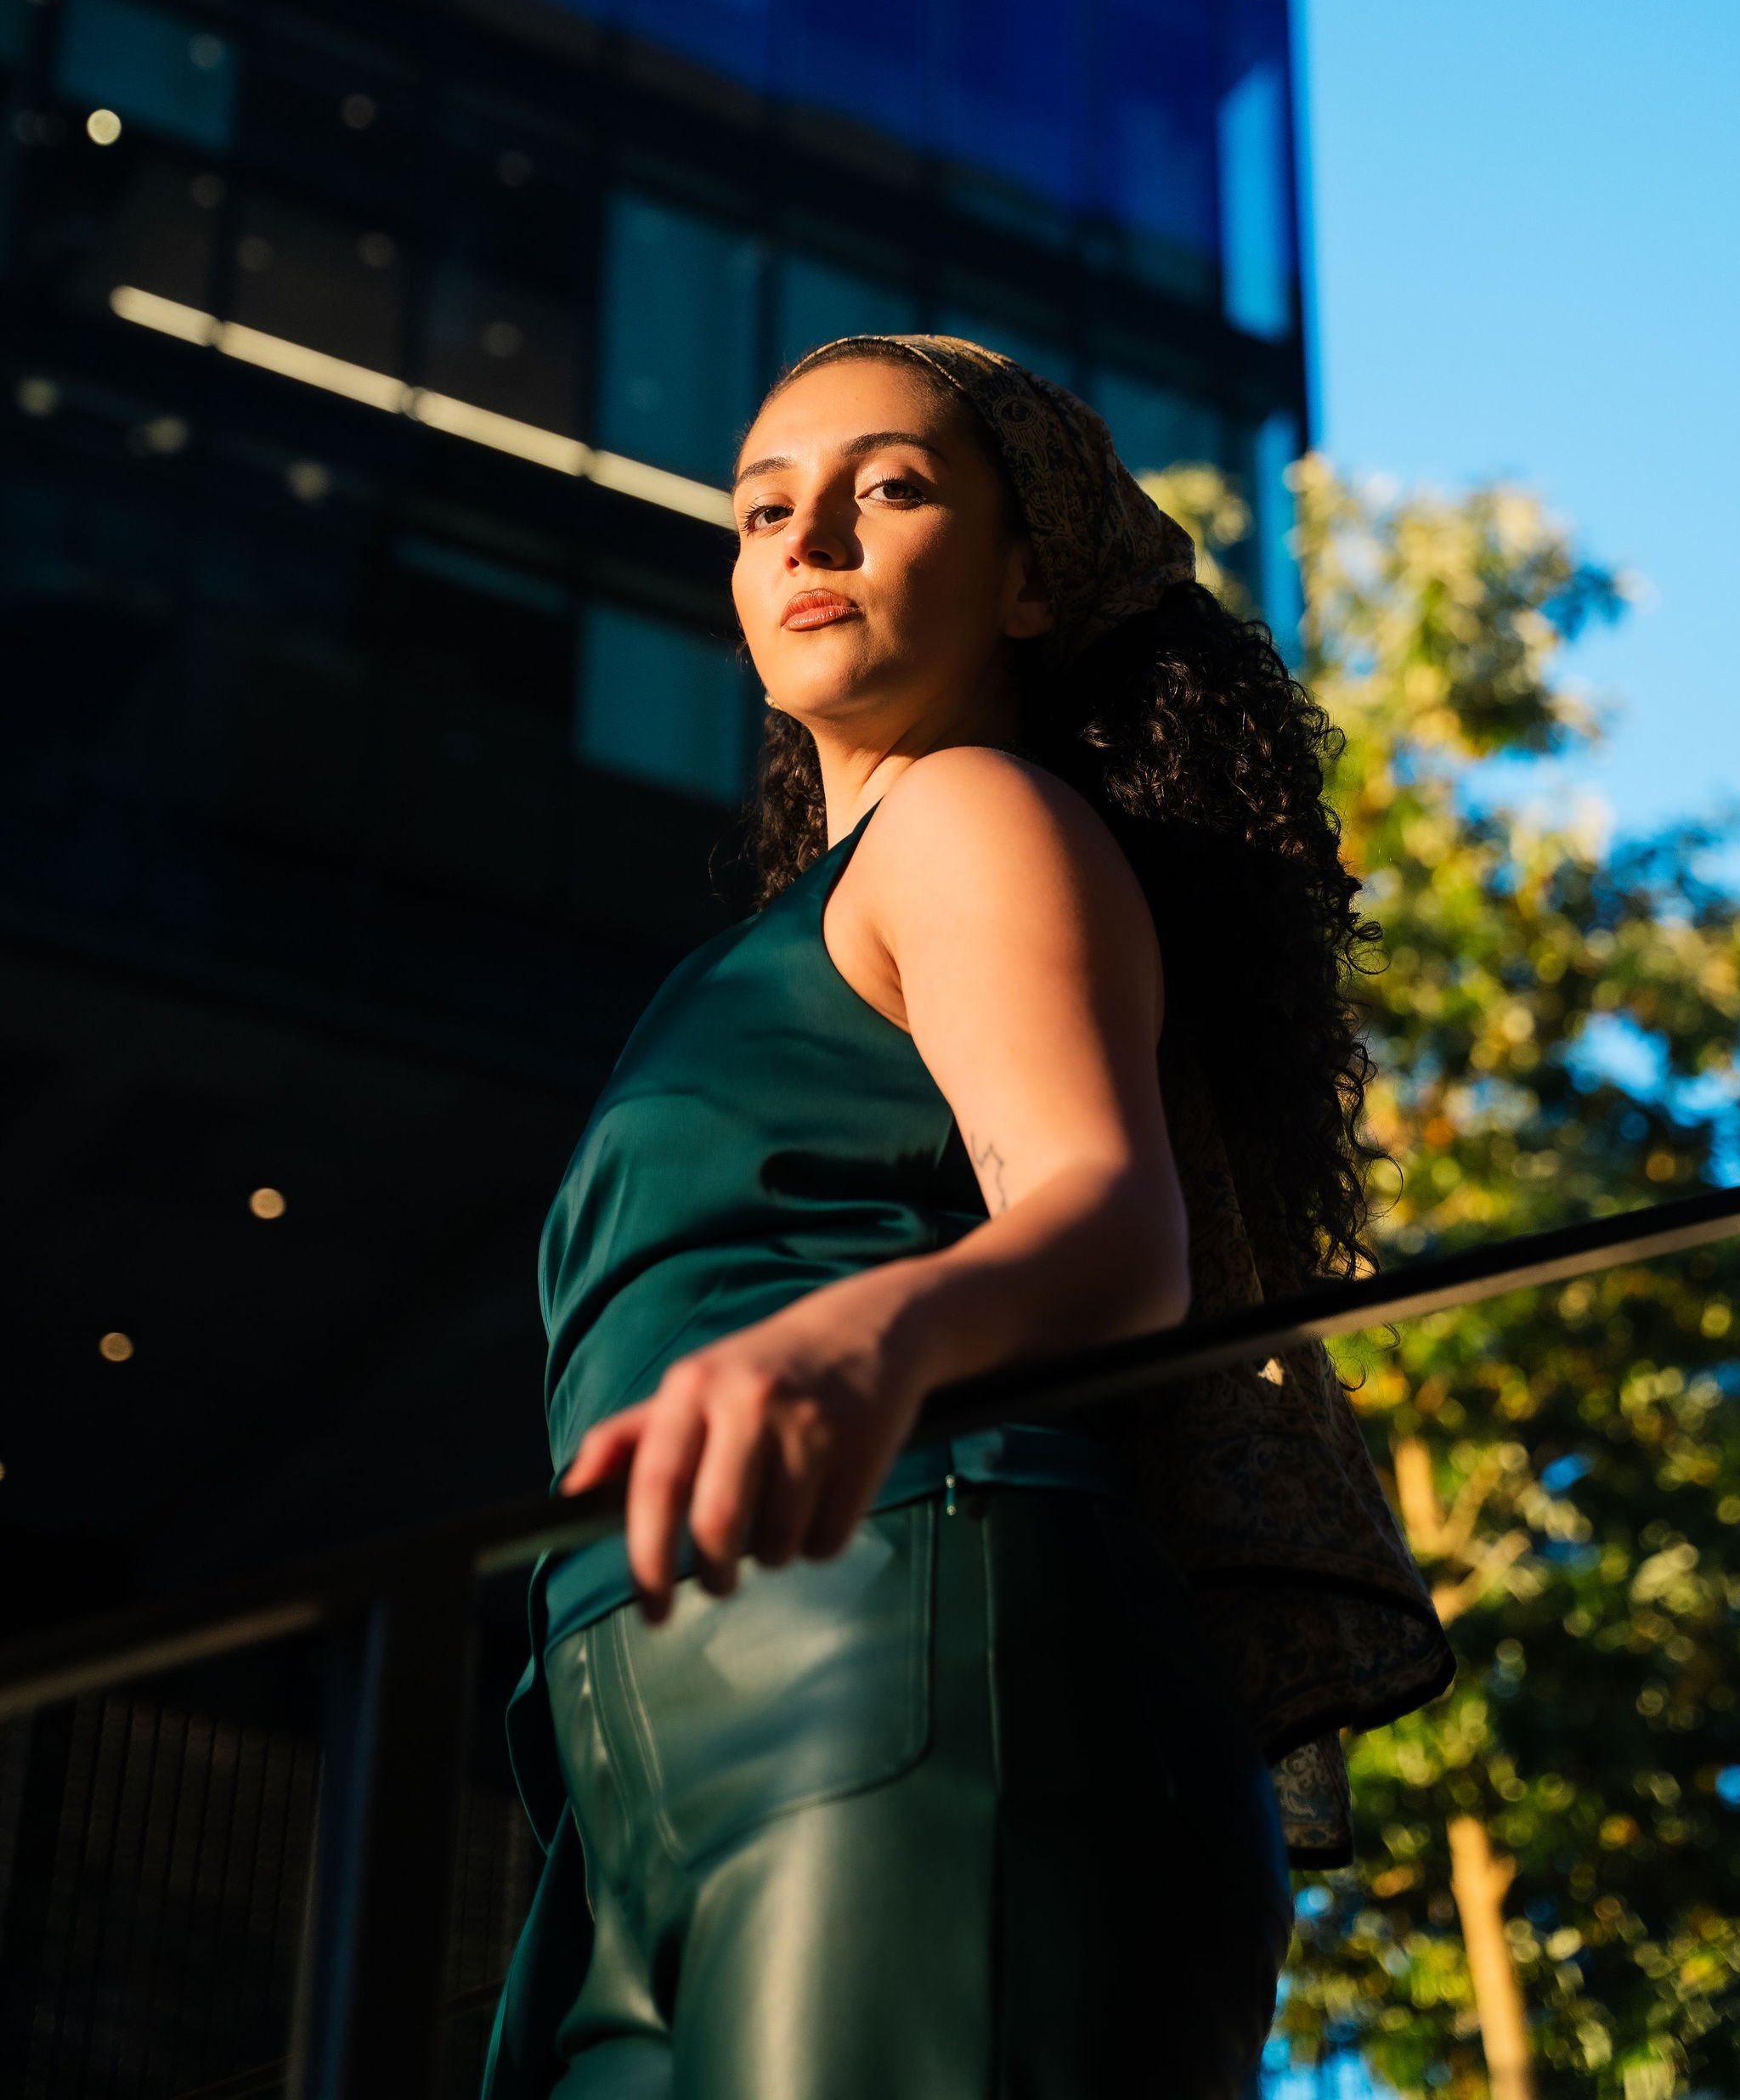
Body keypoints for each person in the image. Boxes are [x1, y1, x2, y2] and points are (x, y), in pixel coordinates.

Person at [482, 336, 1454, 2100]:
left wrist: (867, 1326)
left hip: (903, 1653)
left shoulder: (971, 808)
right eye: (765, 508)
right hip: (639, 1746)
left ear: (1028, 576)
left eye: (892, 489)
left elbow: (1105, 1218)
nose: (809, 540)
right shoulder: (786, 933)